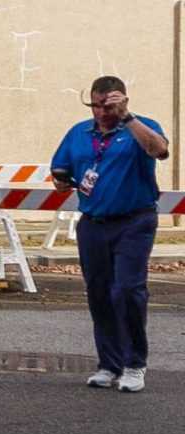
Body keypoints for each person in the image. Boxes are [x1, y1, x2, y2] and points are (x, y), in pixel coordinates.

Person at [50, 75, 169, 392]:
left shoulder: (140, 127)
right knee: (99, 293)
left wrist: (127, 117)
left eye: (108, 106)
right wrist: (60, 179)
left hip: (134, 221)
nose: (101, 112)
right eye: (96, 106)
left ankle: (134, 364)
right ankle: (109, 364)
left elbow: (160, 150)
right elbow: (61, 167)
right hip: (93, 223)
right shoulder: (79, 132)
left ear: (122, 101)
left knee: (128, 290)